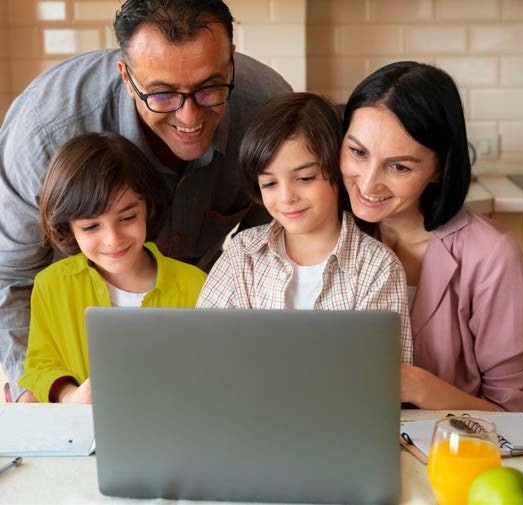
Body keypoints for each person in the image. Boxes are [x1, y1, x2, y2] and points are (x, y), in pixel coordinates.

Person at [0, 0, 291, 401]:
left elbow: (275, 254)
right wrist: (35, 393)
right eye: (163, 95)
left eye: (210, 88)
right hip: (77, 361)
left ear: (232, 62)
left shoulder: (267, 114)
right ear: (125, 74)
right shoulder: (44, 131)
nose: (190, 118)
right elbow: (8, 277)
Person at [341, 61, 523, 411]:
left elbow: (516, 417)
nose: (368, 183)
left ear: (439, 169)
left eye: (399, 166)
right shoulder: (325, 233)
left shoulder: (492, 257)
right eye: (358, 152)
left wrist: (418, 387)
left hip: (451, 453)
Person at [197, 92, 413, 364]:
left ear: (338, 169)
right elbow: (204, 350)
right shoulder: (242, 255)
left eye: (305, 178)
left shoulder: (377, 267)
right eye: (270, 184)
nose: (287, 197)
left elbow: (385, 377)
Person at [18, 132, 207, 403]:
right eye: (91, 226)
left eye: (127, 217)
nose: (113, 239)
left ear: (148, 208)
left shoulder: (196, 285)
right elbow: (40, 365)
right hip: (85, 436)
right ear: (68, 227)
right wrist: (72, 396)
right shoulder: (52, 285)